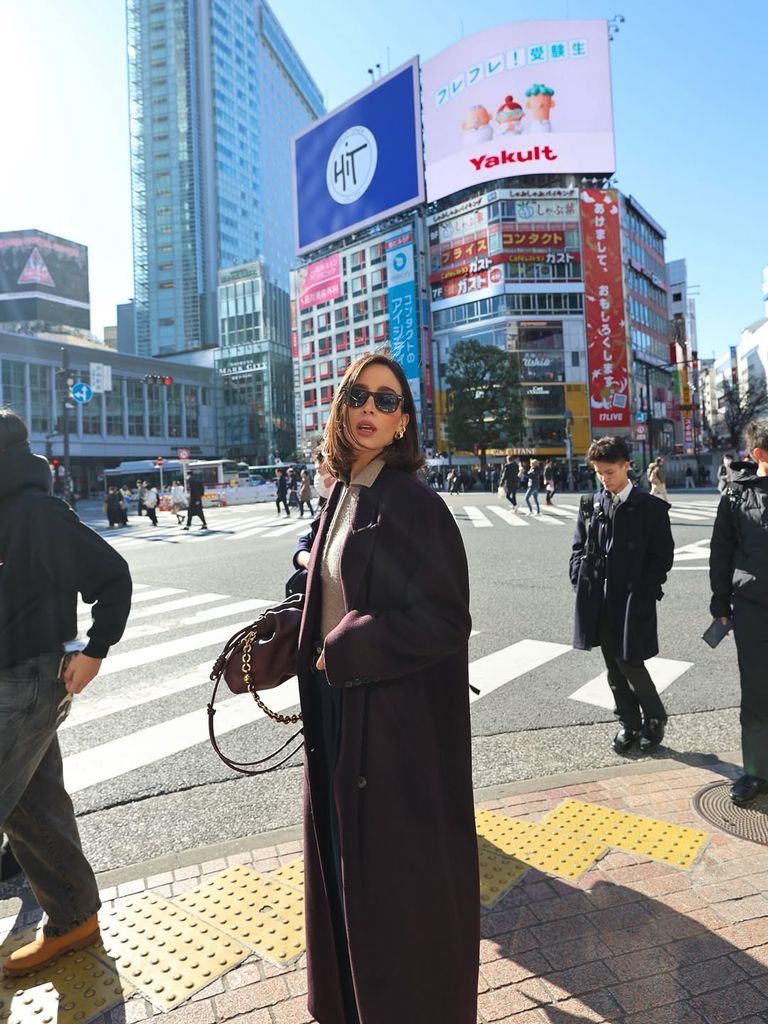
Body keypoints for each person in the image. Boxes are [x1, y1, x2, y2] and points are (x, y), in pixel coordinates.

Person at [295, 353, 478, 1023]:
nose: (370, 409)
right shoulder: (345, 491)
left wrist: (349, 644)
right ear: (343, 410)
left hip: (393, 731)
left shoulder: (412, 504)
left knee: (393, 893)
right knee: (348, 876)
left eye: (386, 401)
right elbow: (330, 589)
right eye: (359, 397)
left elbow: (446, 618)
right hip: (340, 711)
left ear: (404, 424)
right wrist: (291, 625)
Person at [0, 409, 132, 976]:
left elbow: (112, 575)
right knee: (34, 807)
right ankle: (75, 919)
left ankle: (75, 918)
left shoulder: (36, 512)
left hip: (28, 680)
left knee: (31, 808)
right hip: (15, 678)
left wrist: (96, 651)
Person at [570, 435, 674, 755]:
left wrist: (646, 590)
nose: (604, 478)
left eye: (610, 471)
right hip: (597, 597)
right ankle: (628, 722)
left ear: (627, 466)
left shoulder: (650, 507)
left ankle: (654, 718)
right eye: (599, 472)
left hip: (631, 598)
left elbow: (662, 556)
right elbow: (578, 547)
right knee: (613, 667)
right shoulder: (591, 504)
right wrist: (578, 577)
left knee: (630, 662)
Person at [709, 421, 768, 805]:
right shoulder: (736, 494)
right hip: (753, 607)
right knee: (758, 694)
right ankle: (756, 773)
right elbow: (721, 551)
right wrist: (720, 602)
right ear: (760, 455)